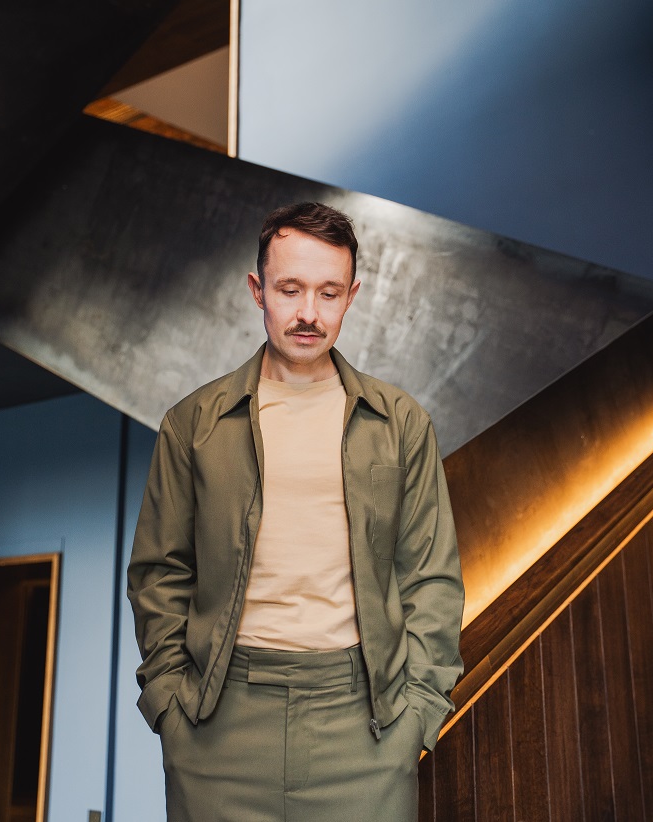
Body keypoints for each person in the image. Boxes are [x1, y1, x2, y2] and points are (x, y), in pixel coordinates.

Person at [127, 202, 465, 822]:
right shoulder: (193, 424)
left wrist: (419, 710)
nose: (309, 312)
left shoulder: (401, 424)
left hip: (364, 725)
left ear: (352, 296)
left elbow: (431, 577)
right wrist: (169, 707)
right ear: (258, 290)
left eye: (329, 292)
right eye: (290, 289)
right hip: (217, 726)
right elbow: (158, 572)